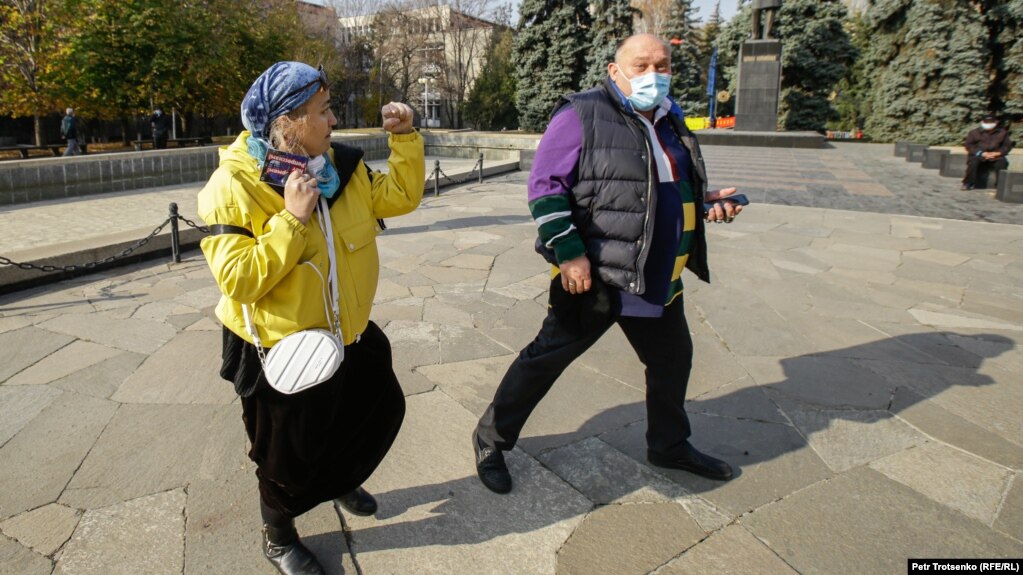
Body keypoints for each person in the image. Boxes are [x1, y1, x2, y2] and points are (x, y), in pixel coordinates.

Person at [472, 34, 744, 495]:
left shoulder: (670, 118)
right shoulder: (582, 112)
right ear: (615, 70)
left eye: (663, 64)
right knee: (546, 359)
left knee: (672, 361)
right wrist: (569, 252)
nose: (654, 74)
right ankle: (490, 439)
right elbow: (545, 188)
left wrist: (707, 201)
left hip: (659, 279)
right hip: (597, 277)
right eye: (641, 65)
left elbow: (660, 186)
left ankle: (669, 444)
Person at [197, 61, 423, 575]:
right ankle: (278, 536)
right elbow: (239, 279)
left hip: (347, 333)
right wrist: (291, 220)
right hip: (280, 348)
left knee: (373, 410)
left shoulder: (340, 167)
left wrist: (405, 138)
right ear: (287, 122)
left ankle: (341, 478)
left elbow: (403, 197)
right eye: (323, 112)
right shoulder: (234, 183)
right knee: (285, 457)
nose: (334, 121)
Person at [962, 115, 1013, 190]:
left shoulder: (1002, 133)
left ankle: (1000, 185)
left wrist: (998, 153)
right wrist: (981, 153)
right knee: (972, 162)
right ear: (982, 122)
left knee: (1002, 163)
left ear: (996, 122)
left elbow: (1007, 146)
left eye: (990, 122)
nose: (988, 124)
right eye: (986, 122)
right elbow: (969, 145)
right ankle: (968, 183)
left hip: (995, 155)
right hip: (979, 154)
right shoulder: (974, 133)